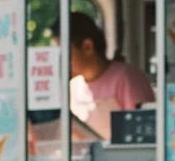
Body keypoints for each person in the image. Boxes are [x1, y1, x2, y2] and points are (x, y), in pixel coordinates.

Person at [51, 12, 155, 140]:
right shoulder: (72, 87)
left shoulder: (126, 77)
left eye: (64, 52)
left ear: (87, 47)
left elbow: (144, 133)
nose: (60, 59)